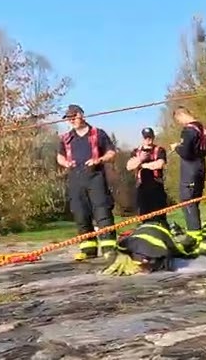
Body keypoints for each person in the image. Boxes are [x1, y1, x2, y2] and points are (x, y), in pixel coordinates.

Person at [56, 104, 118, 261]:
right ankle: (88, 249)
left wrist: (99, 159)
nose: (71, 120)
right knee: (80, 214)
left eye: (73, 116)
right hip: (76, 179)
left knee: (102, 212)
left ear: (81, 115)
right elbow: (60, 156)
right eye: (68, 118)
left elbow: (111, 153)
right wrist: (65, 163)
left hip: (95, 178)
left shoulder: (98, 133)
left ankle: (109, 247)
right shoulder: (66, 138)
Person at [169, 106, 206, 234]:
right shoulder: (204, 130)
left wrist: (177, 147)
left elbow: (186, 152)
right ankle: (197, 229)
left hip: (190, 169)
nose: (180, 124)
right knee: (195, 201)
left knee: (187, 201)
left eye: (178, 121)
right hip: (201, 167)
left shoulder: (188, 130)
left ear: (180, 115)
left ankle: (194, 234)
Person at [126, 127, 168, 225]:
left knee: (160, 215)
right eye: (146, 138)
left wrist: (142, 165)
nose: (148, 140)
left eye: (150, 137)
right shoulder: (136, 151)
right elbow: (129, 166)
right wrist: (140, 159)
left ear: (153, 137)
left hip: (156, 186)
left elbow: (159, 164)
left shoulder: (159, 150)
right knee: (144, 215)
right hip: (141, 187)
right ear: (143, 138)